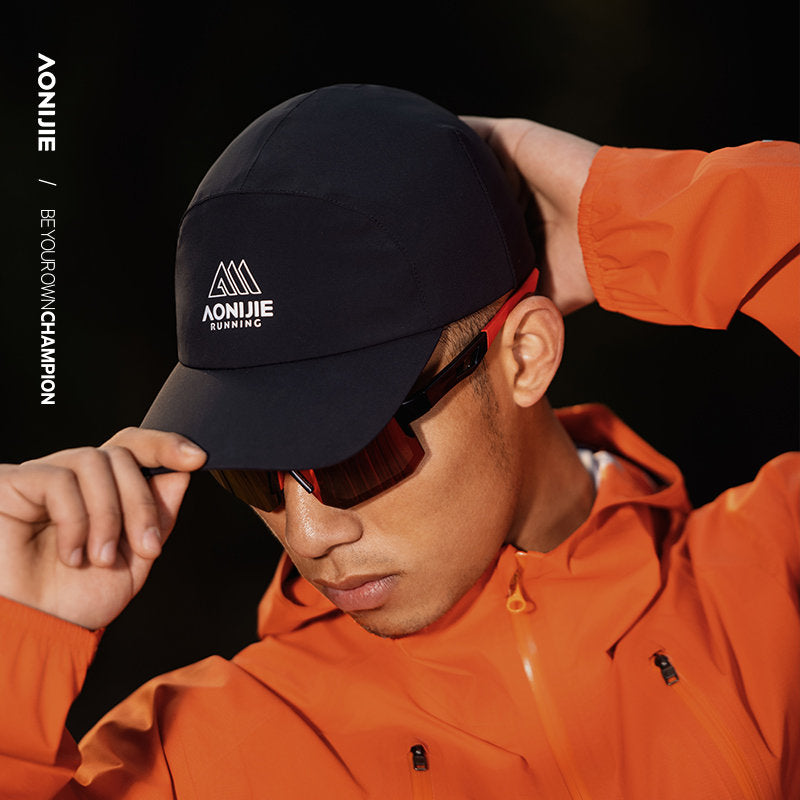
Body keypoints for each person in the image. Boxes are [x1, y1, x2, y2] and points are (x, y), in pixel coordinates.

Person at [1, 84, 797, 799]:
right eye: (250, 471)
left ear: (525, 356)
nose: (308, 535)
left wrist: (632, 216)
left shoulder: (769, 588)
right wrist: (12, 661)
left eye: (354, 452)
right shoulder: (195, 759)